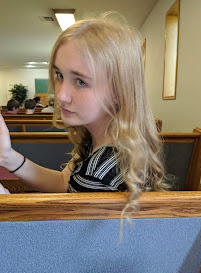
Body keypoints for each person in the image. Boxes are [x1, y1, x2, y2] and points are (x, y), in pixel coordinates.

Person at [0, 13, 168, 216]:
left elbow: (63, 242)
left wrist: (6, 203)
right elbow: (64, 183)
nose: (60, 95)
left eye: (80, 82)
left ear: (119, 91)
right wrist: (8, 157)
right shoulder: (110, 139)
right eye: (60, 75)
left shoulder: (98, 174)